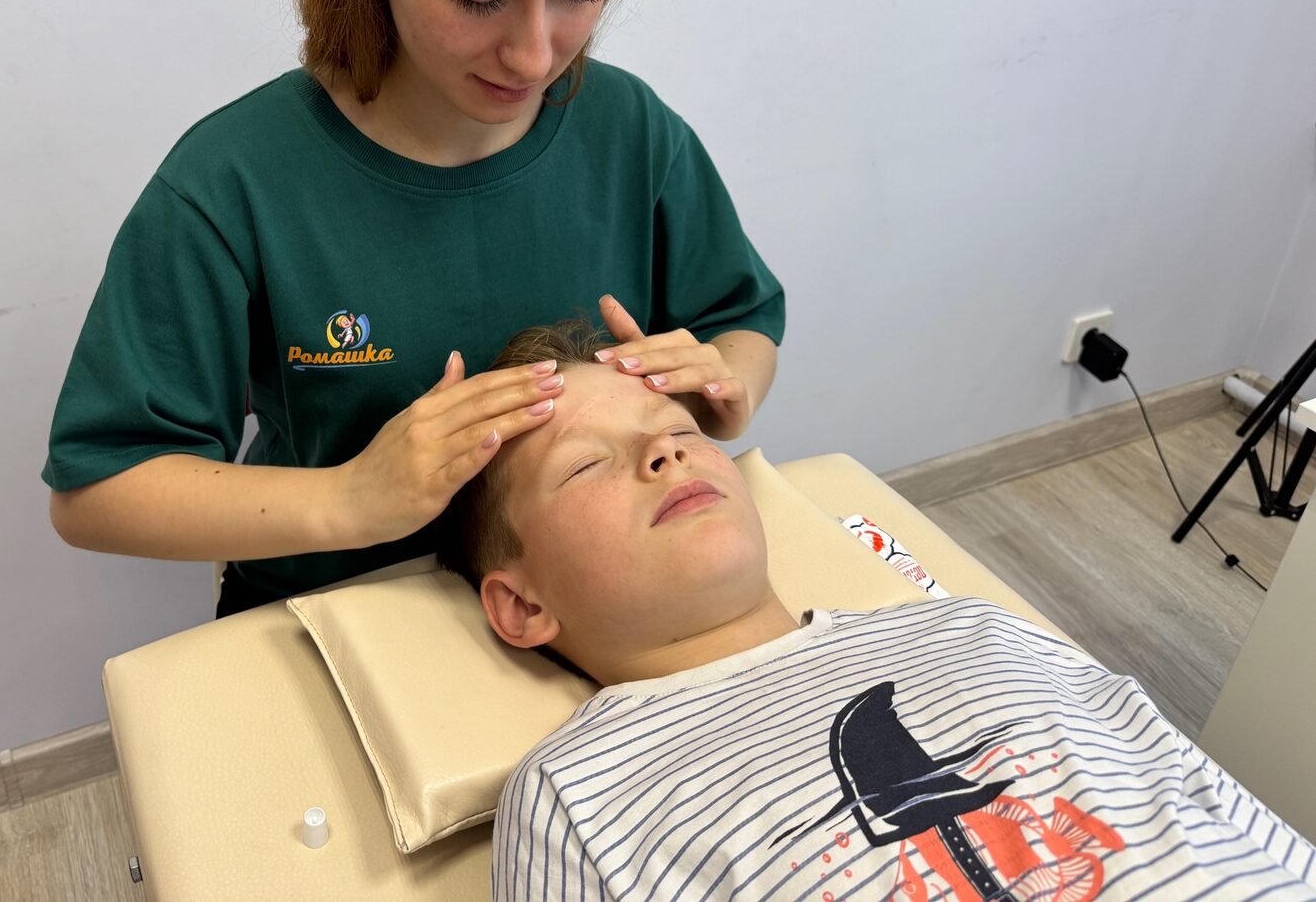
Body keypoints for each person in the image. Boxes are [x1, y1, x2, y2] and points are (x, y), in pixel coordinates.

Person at [40, 0, 785, 618]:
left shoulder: (631, 133)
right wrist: (351, 498)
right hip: (343, 621)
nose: (534, 53)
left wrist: (727, 385)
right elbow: (98, 488)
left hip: (585, 620)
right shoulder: (233, 186)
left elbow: (742, 320)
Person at [435, 321, 1316, 901]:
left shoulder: (968, 627)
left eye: (680, 432)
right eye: (587, 464)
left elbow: (1208, 798)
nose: (665, 456)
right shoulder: (579, 792)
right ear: (522, 605)